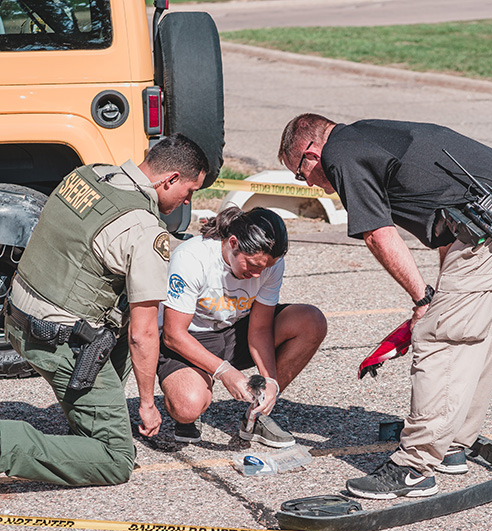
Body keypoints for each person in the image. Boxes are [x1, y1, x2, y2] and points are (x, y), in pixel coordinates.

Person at [279, 113, 492, 499]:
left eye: (302, 174)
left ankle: (415, 468)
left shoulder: (340, 155)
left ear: (311, 153)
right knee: (476, 337)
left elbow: (378, 234)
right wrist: (441, 289)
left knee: (439, 339)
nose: (311, 184)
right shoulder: (366, 135)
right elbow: (445, 207)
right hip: (485, 224)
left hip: (486, 232)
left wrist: (423, 300)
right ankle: (451, 445)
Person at [1, 133, 208, 486]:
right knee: (114, 460)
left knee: (127, 299)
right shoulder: (145, 230)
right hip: (58, 342)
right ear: (170, 179)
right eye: (189, 191)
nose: (187, 200)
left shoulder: (89, 175)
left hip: (17, 319)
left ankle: (89, 414)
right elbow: (143, 335)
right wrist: (146, 403)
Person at [157, 206, 327, 446]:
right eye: (253, 265)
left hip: (236, 330)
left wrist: (271, 382)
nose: (258, 275)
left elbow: (259, 329)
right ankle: (193, 395)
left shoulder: (269, 263)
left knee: (311, 320)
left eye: (265, 268)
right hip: (191, 336)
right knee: (187, 406)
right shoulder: (192, 258)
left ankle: (257, 415)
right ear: (233, 243)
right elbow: (173, 335)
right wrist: (224, 371)